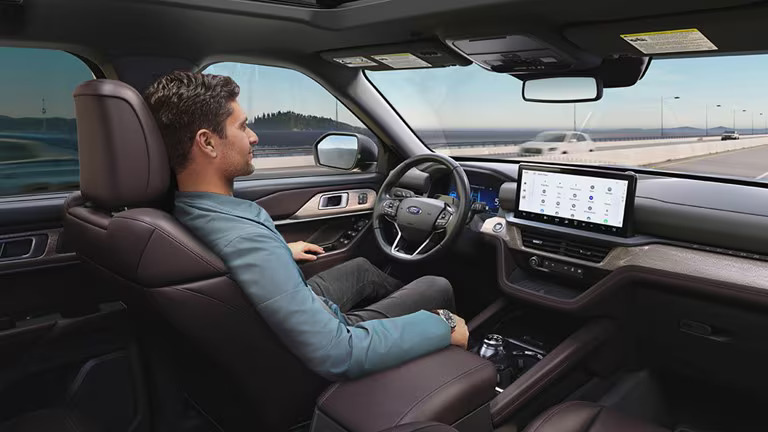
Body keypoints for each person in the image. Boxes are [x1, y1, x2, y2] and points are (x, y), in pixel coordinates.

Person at [143, 71, 469, 380]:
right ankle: (446, 363)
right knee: (436, 287)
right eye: (242, 127)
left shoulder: (181, 210)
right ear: (208, 143)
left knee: (361, 269)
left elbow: (226, 260)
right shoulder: (247, 242)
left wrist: (280, 253)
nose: (254, 137)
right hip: (321, 346)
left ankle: (400, 325)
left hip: (283, 314)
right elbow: (337, 353)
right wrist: (439, 325)